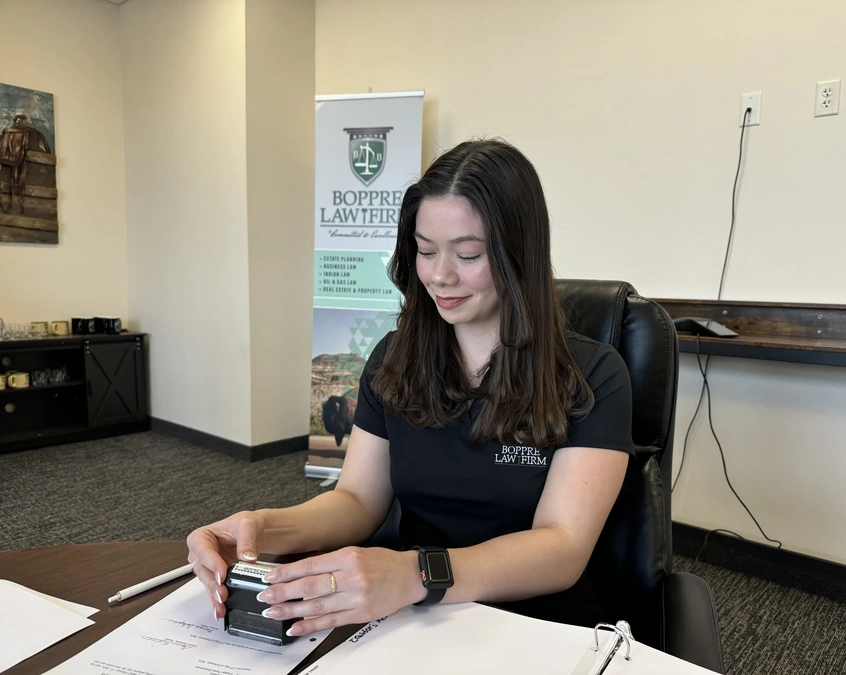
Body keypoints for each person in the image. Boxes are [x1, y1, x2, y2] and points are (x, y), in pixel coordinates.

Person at [187, 138, 633, 637]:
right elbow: (357, 499)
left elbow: (562, 548)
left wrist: (417, 573)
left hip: (533, 624)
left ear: (519, 254)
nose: (439, 275)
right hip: (414, 616)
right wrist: (260, 528)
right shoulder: (397, 359)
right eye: (425, 251)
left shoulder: (592, 375)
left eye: (467, 254)